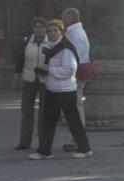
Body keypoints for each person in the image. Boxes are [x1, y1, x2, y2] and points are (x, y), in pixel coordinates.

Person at [29, 19, 92, 160]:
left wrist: (49, 69)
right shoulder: (52, 47)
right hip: (53, 90)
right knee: (48, 122)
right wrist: (44, 73)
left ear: (61, 32)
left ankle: (84, 148)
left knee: (73, 121)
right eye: (50, 31)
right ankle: (44, 151)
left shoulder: (66, 48)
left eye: (55, 31)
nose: (51, 33)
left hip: (66, 91)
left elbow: (69, 70)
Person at [12, 17, 49, 150]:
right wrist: (15, 80)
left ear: (45, 29)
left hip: (45, 81)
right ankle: (24, 142)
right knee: (26, 111)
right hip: (29, 79)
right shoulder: (27, 42)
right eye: (36, 27)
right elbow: (20, 61)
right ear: (33, 29)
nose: (39, 29)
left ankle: (43, 142)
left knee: (44, 112)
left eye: (41, 27)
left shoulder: (50, 42)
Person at [60, 7, 91, 151]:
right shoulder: (76, 32)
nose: (62, 20)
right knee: (75, 106)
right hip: (76, 73)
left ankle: (78, 139)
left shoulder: (75, 34)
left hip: (75, 75)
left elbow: (75, 57)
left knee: (77, 106)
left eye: (64, 17)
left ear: (71, 19)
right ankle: (76, 138)